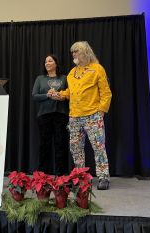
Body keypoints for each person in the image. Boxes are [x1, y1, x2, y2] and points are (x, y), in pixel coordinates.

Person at [57, 41, 112, 190]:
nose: (73, 55)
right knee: (75, 148)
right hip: (74, 117)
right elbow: (70, 92)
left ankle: (103, 177)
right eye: (72, 52)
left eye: (77, 51)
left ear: (86, 53)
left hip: (93, 115)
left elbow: (106, 93)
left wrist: (101, 111)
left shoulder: (97, 69)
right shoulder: (71, 72)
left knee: (98, 147)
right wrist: (59, 95)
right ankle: (80, 177)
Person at [32, 54, 69, 176]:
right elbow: (34, 96)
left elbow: (70, 95)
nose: (47, 63)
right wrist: (47, 95)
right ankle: (42, 176)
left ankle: (61, 175)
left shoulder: (64, 78)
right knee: (44, 146)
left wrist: (61, 96)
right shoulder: (40, 79)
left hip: (60, 115)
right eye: (45, 62)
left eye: (50, 61)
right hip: (44, 115)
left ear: (56, 63)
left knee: (60, 145)